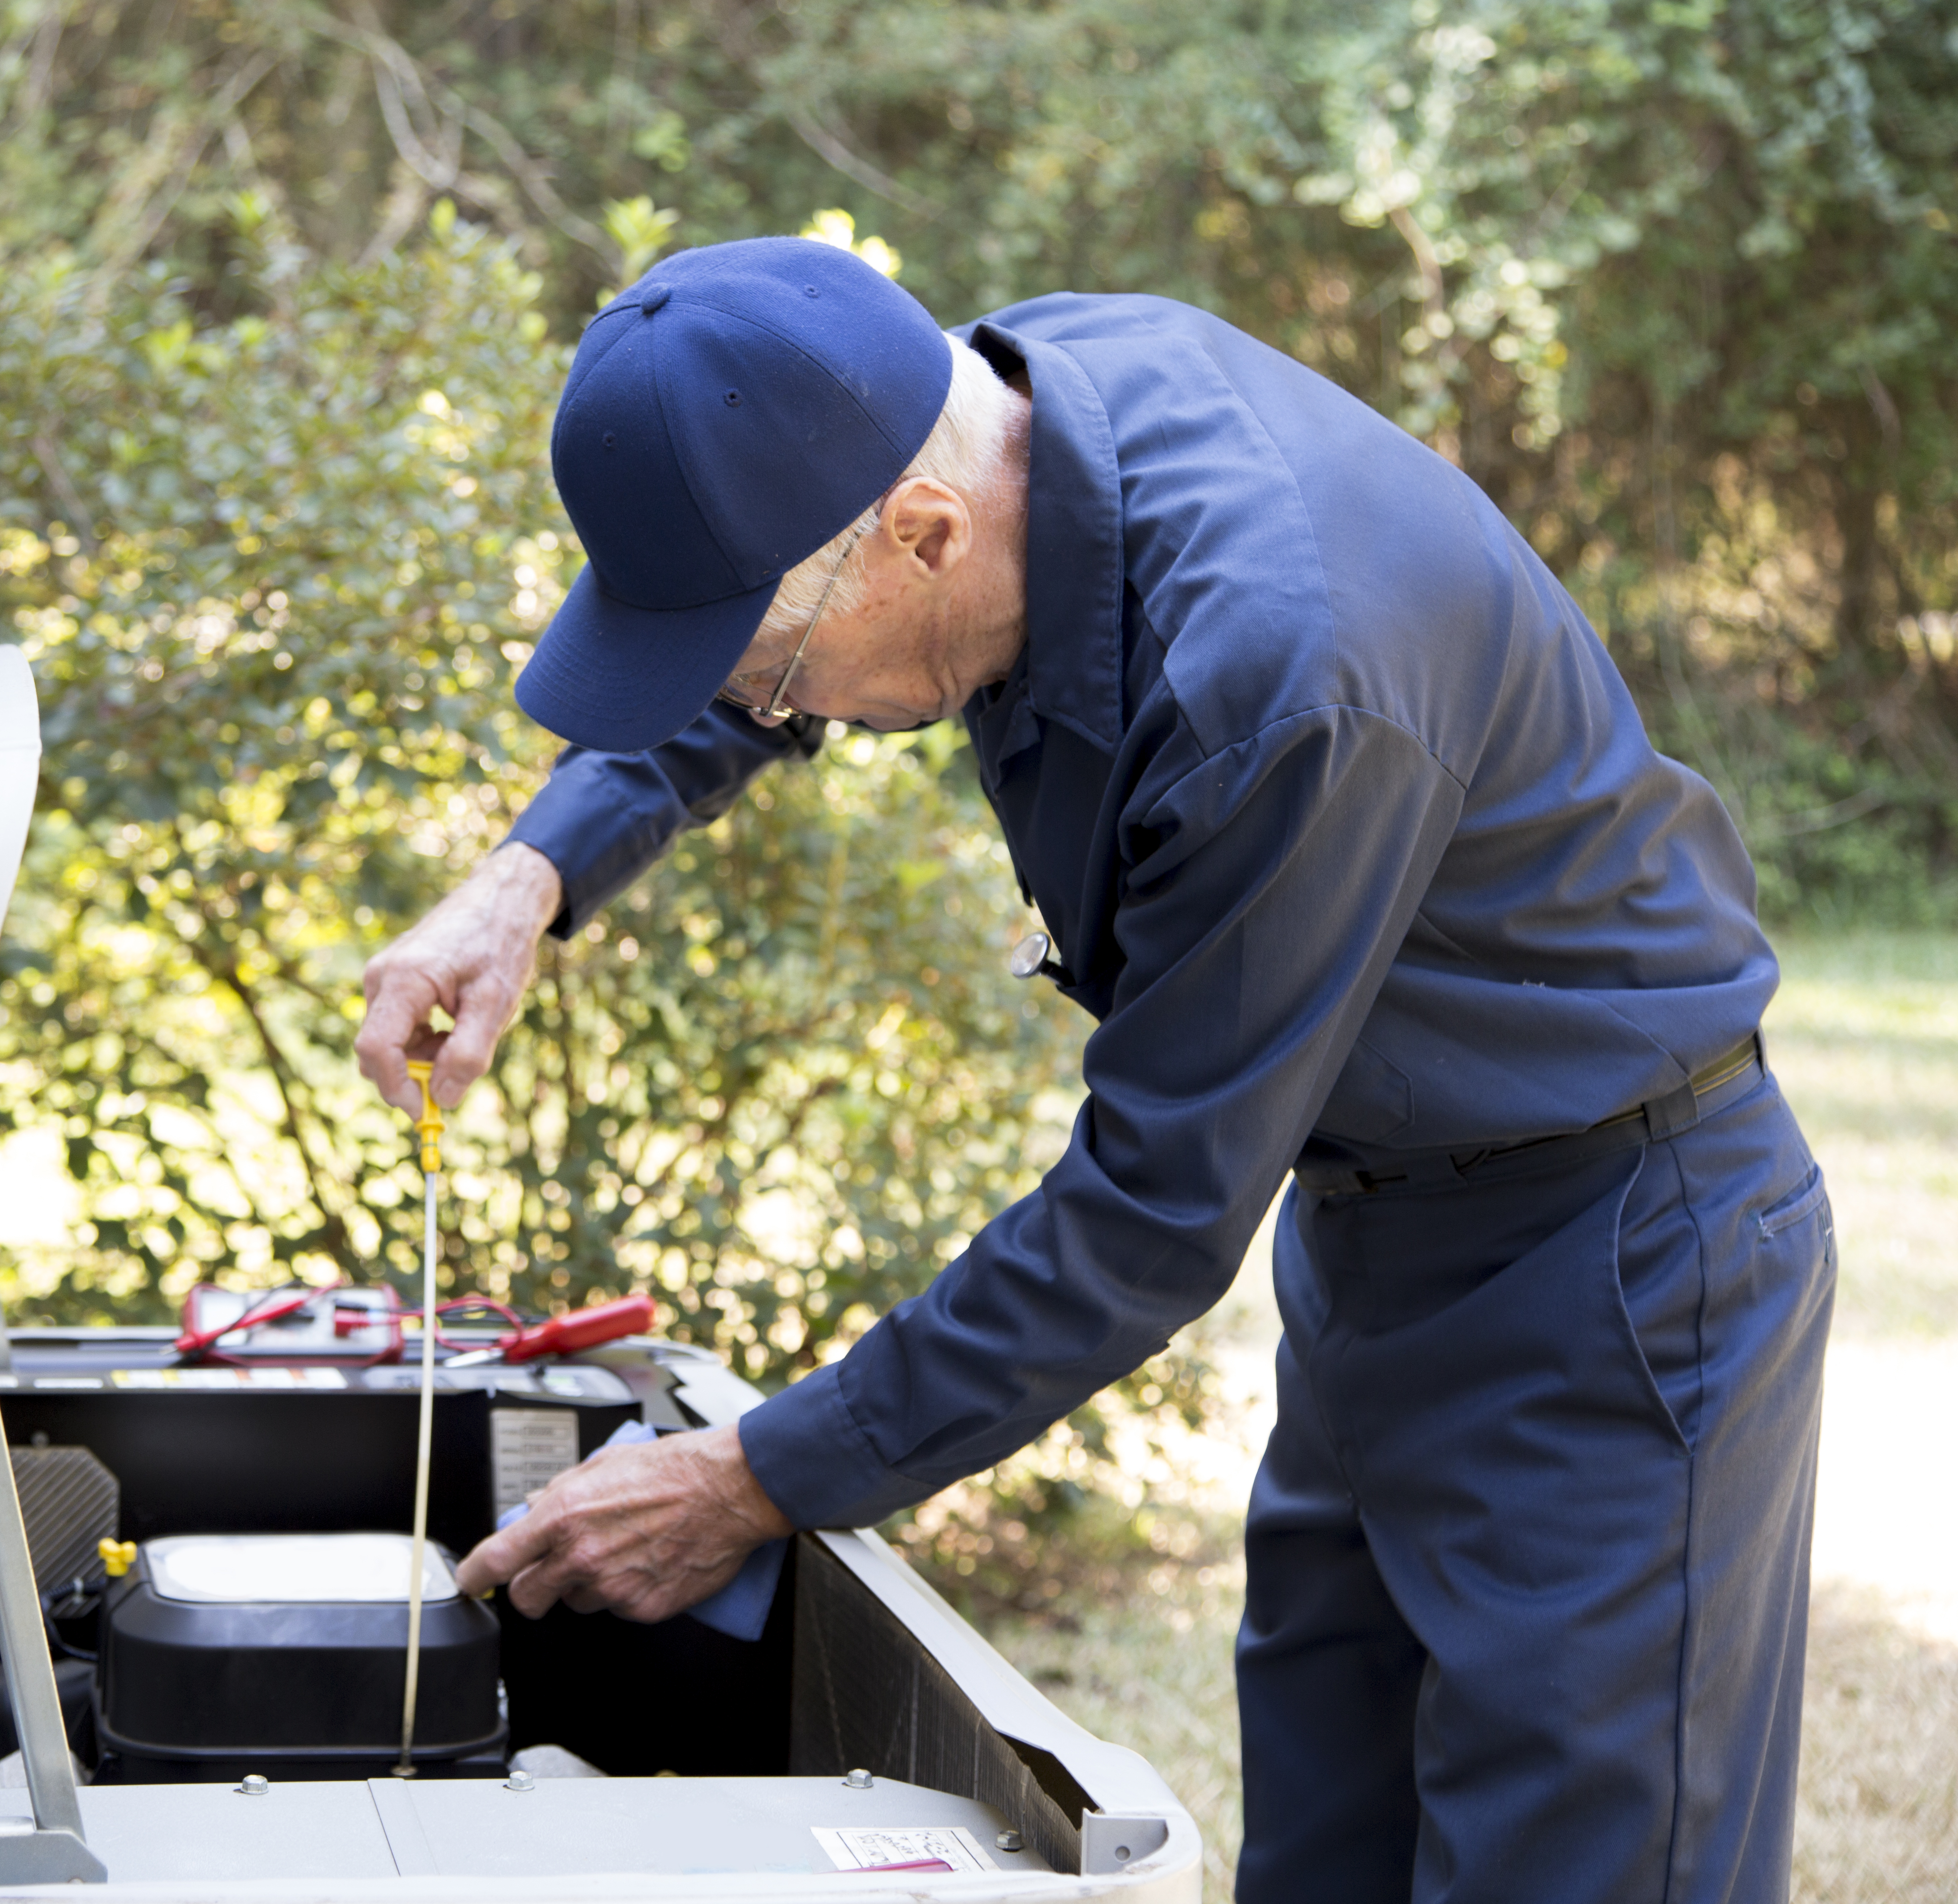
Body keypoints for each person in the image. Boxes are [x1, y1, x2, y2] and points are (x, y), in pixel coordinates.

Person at [351, 236, 1833, 1903]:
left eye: (763, 661)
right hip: (1374, 1240)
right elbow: (762, 643)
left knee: (1575, 1867)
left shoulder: (1278, 682)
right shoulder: (978, 417)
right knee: (1331, 1851)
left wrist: (756, 1477)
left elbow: (1147, 1213)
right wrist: (529, 875)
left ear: (923, 542)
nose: (768, 703)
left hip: (1614, 1267)